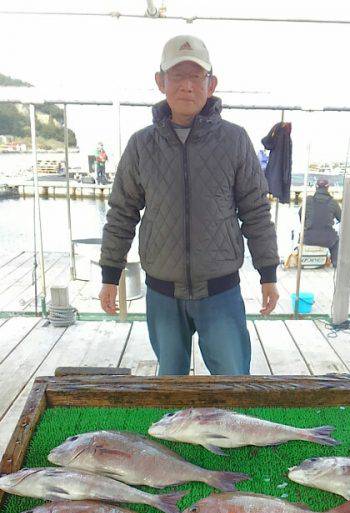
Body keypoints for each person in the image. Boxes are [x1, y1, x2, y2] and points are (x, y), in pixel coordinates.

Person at [99, 35, 279, 376]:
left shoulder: (235, 140)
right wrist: (110, 274)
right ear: (160, 82)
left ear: (211, 84)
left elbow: (255, 211)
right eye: (177, 76)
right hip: (162, 293)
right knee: (170, 384)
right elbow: (122, 212)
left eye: (196, 76)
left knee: (233, 381)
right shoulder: (141, 145)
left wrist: (267, 273)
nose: (187, 86)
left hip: (221, 292)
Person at [299, 178, 341, 268]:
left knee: (301, 234)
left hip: (308, 238)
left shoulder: (308, 200)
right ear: (328, 188)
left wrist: (306, 225)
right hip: (327, 239)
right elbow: (341, 218)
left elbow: (300, 215)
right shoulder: (333, 202)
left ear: (316, 187)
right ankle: (335, 263)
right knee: (336, 241)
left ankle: (301, 259)